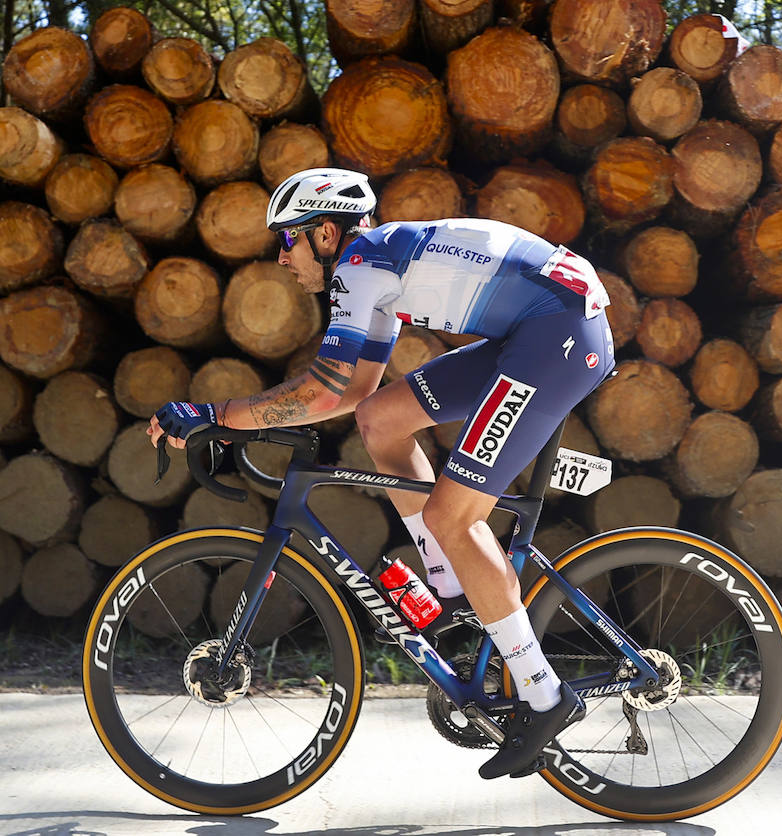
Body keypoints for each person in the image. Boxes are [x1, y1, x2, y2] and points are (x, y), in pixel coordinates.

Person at [148, 166, 614, 779]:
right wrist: (241, 419)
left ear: (322, 234)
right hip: (540, 328)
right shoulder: (379, 264)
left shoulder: (360, 265)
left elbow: (320, 393)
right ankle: (451, 589)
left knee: (453, 515)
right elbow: (355, 391)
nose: (281, 258)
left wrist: (217, 415)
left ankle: (543, 694)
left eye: (285, 240)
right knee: (382, 420)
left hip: (556, 337)